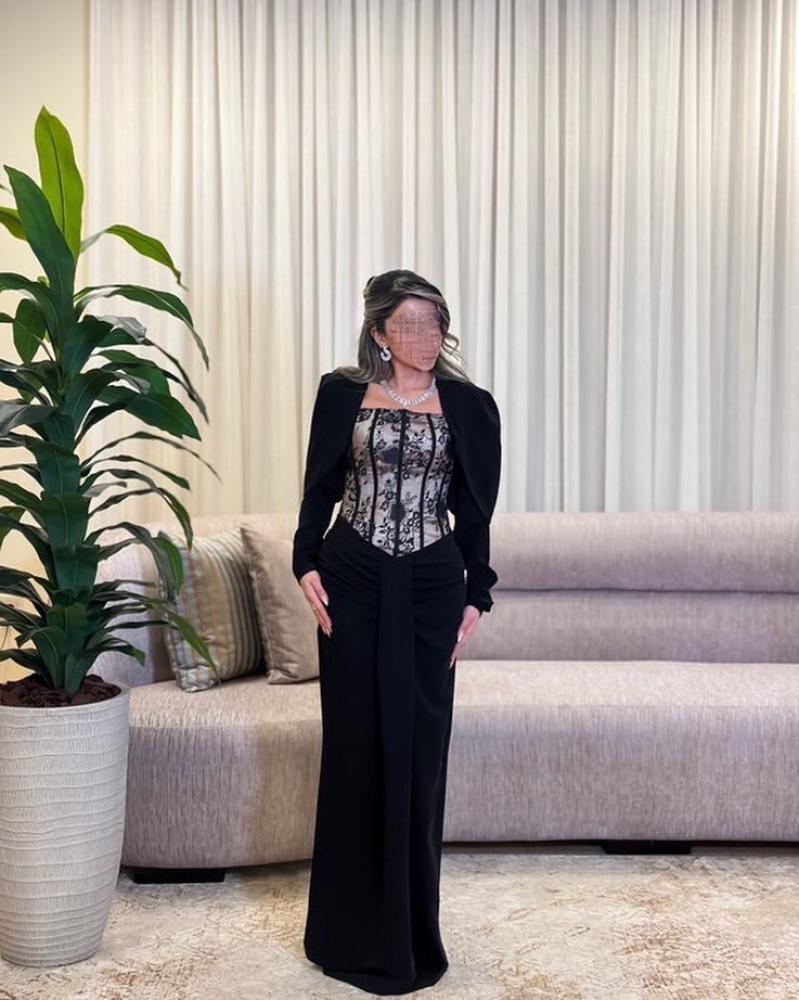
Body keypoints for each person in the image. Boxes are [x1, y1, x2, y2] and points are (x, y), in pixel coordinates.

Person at [292, 268, 502, 995]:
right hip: (351, 579)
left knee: (418, 752)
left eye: (433, 322)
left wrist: (478, 593)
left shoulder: (471, 406)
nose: (423, 336)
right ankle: (342, 934)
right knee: (354, 747)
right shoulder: (340, 393)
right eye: (408, 324)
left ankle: (409, 936)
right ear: (380, 333)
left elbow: (474, 511)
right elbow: (319, 489)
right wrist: (303, 561)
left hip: (432, 587)